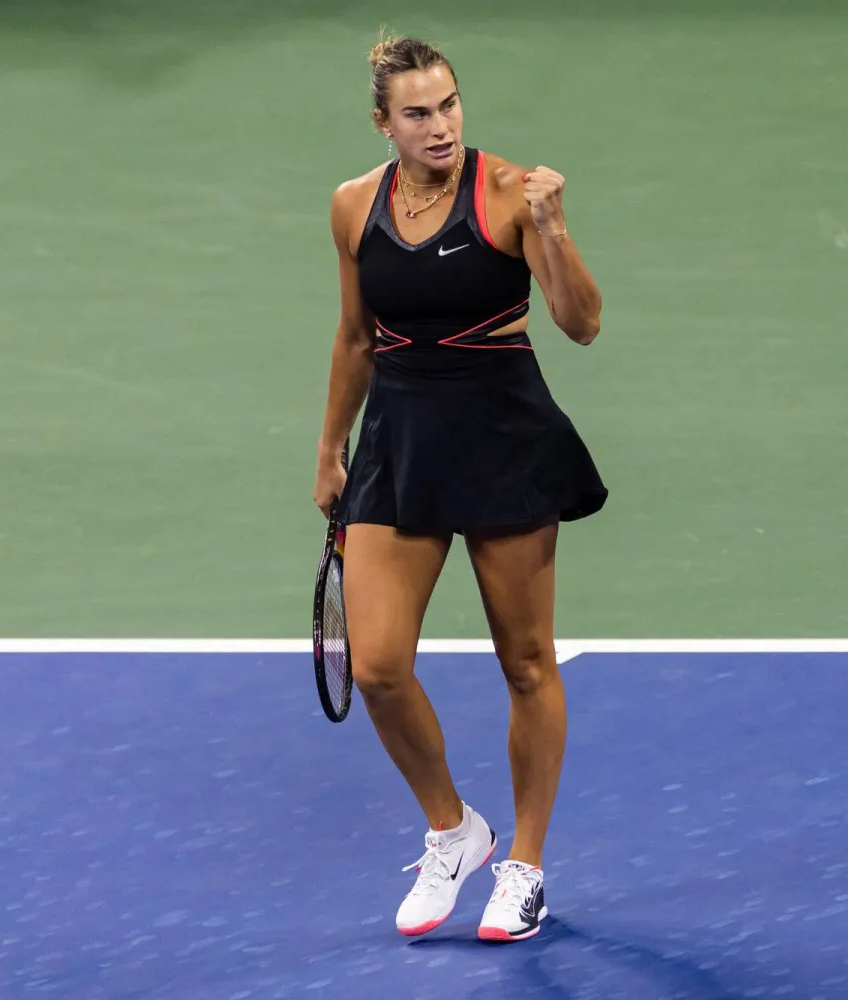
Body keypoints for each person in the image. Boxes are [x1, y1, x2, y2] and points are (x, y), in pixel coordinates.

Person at [311, 32, 607, 943]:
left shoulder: (511, 193)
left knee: (526, 661)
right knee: (377, 667)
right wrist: (330, 449)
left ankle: (525, 866)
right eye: (417, 113)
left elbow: (582, 323)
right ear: (383, 122)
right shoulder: (354, 205)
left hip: (503, 438)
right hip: (399, 442)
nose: (439, 126)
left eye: (448, 105)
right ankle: (454, 829)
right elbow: (356, 336)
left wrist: (554, 227)